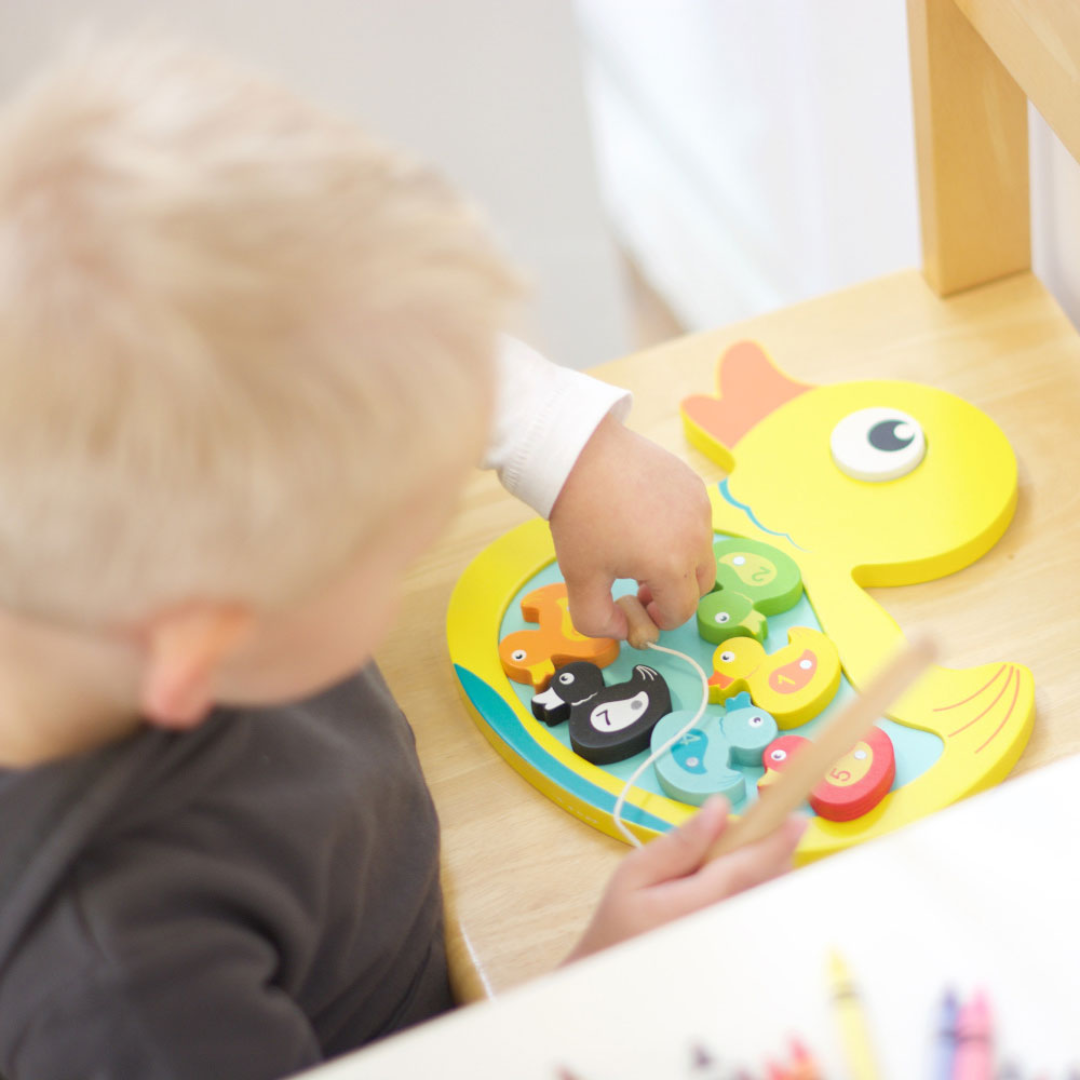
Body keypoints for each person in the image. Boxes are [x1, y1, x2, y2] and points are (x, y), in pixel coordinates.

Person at [0, 41, 805, 1079]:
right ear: (206, 647)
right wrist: (584, 1006)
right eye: (398, 546)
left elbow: (334, 322)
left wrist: (565, 445)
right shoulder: (124, 1003)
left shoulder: (92, 505)